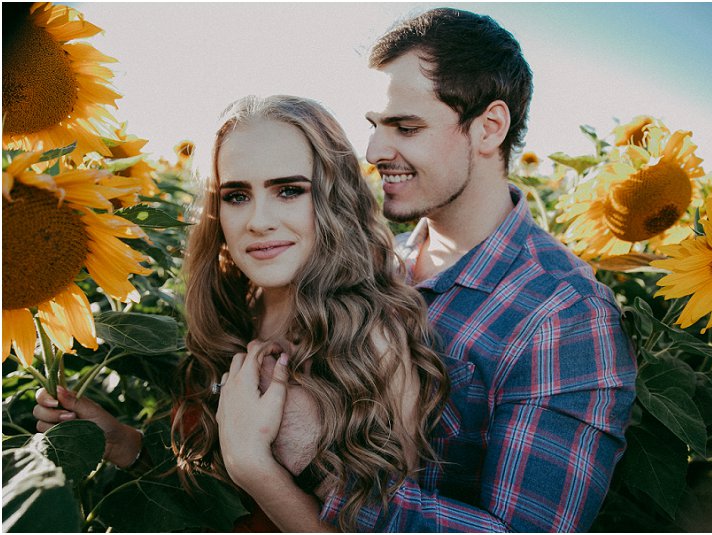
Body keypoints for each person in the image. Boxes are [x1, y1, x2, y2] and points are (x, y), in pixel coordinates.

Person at [33, 94, 450, 532]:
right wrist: (123, 443)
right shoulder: (232, 314)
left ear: (334, 199)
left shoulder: (370, 340)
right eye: (236, 196)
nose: (258, 220)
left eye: (289, 190)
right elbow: (210, 498)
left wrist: (253, 464)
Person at [306, 8, 637, 531]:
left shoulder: (563, 314)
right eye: (374, 126)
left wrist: (313, 469)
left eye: (406, 127)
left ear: (489, 128)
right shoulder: (373, 263)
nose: (373, 151)